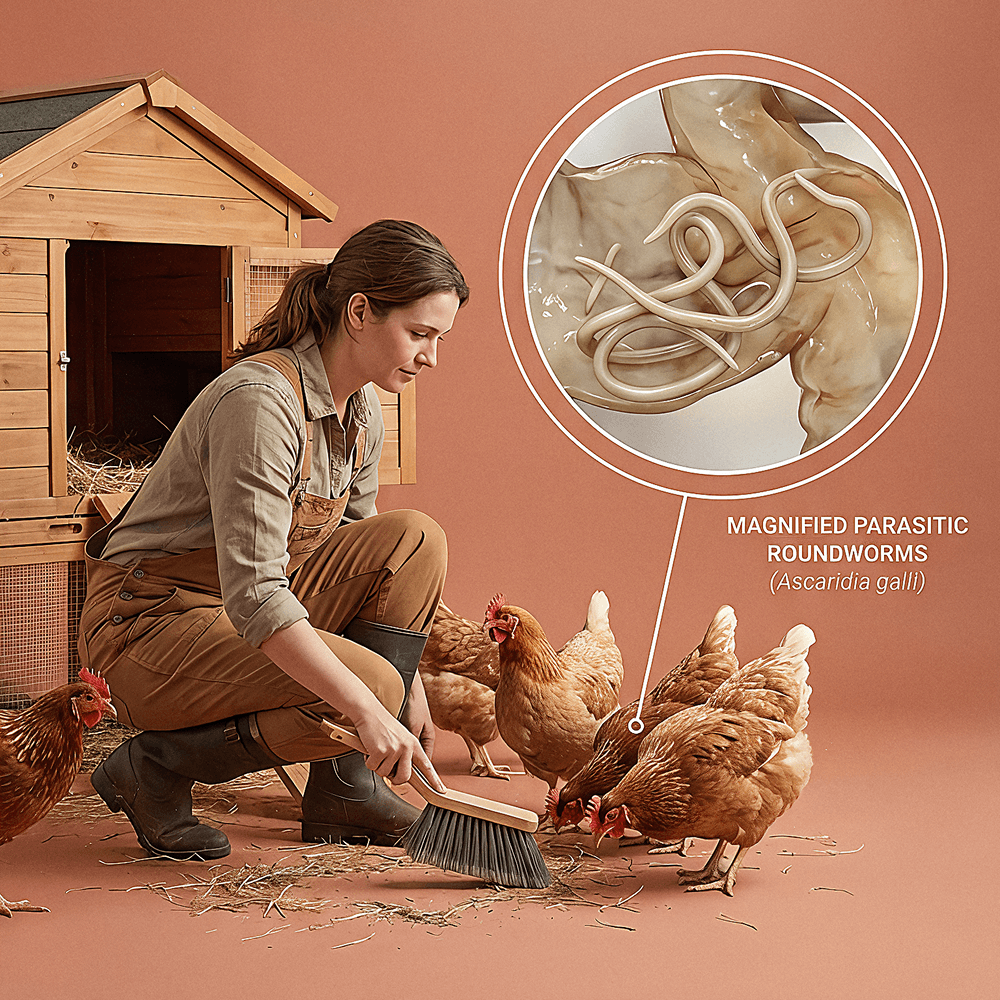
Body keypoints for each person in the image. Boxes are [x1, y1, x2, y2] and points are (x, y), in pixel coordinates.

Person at [78, 219, 469, 860]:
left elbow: (357, 545)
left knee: (415, 539)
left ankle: (346, 788)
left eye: (439, 337)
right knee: (367, 685)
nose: (431, 357)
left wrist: (411, 685)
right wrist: (373, 707)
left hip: (240, 609)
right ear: (361, 312)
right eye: (420, 334)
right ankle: (155, 765)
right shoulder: (260, 404)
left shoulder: (362, 408)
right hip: (150, 624)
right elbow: (257, 593)